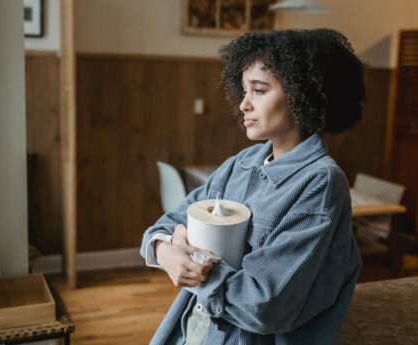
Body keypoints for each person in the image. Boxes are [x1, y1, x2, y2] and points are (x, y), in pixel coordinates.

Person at [140, 28, 365, 345]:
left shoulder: (321, 182)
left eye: (258, 90)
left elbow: (264, 304)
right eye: (244, 91)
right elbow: (167, 224)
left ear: (303, 94)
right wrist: (166, 250)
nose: (243, 104)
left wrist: (193, 265)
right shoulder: (242, 162)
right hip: (191, 331)